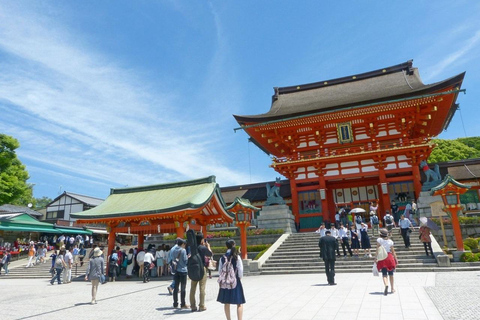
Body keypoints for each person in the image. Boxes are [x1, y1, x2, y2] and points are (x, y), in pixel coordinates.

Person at [217, 239, 245, 320]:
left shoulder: (222, 257)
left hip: (226, 282)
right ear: (234, 245)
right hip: (235, 280)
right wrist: (239, 277)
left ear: (226, 246)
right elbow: (240, 269)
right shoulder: (237, 257)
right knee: (239, 303)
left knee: (226, 302)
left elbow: (220, 271)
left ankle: (228, 319)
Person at [190, 233, 213, 312]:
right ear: (201, 240)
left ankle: (193, 306)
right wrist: (208, 246)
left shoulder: (192, 248)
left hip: (193, 269)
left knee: (193, 288)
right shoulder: (202, 248)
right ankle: (201, 305)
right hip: (201, 268)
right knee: (202, 288)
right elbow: (210, 254)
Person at [375, 229, 398, 295]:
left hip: (382, 257)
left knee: (384, 274)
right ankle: (392, 288)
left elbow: (377, 250)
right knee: (391, 274)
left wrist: (375, 258)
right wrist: (396, 258)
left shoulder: (379, 240)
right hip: (389, 257)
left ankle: (386, 285)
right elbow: (393, 251)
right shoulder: (390, 241)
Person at [168, 238, 189, 309]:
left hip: (176, 270)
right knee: (183, 288)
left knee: (176, 288)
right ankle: (183, 303)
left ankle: (175, 303)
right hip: (183, 270)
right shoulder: (183, 250)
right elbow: (185, 261)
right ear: (182, 244)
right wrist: (188, 257)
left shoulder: (173, 250)